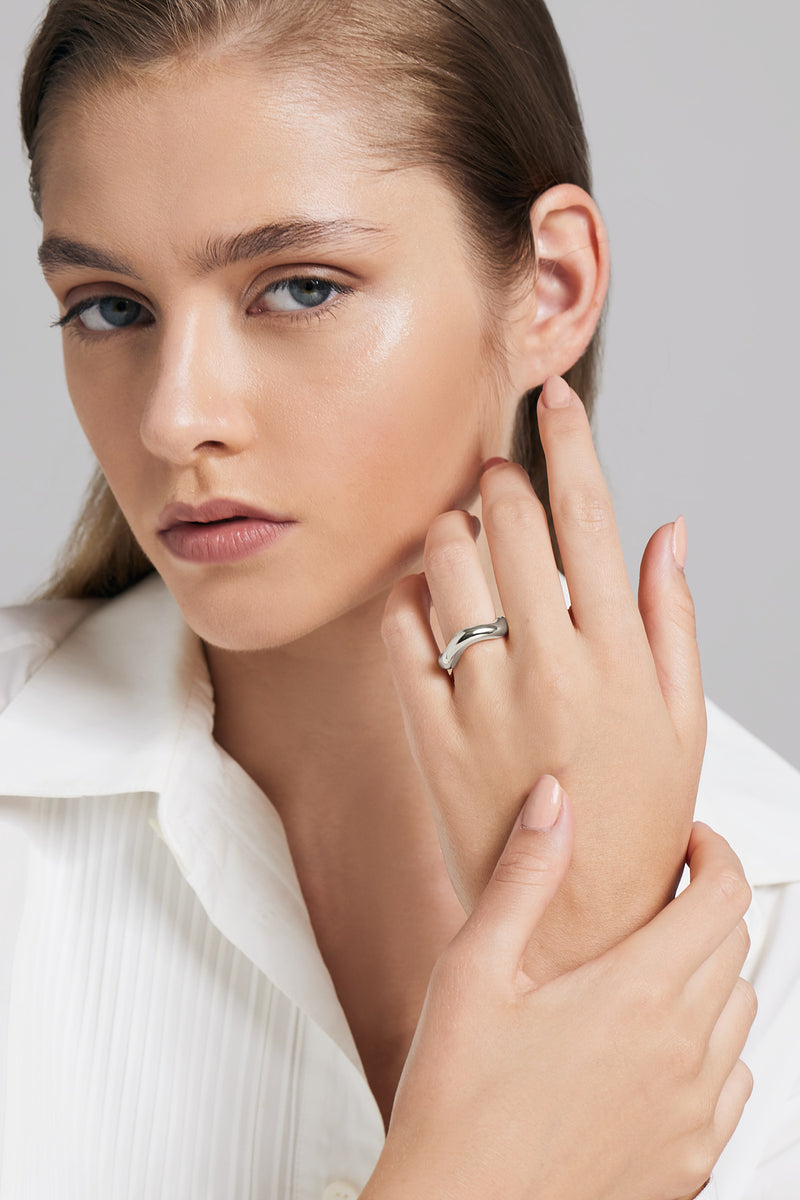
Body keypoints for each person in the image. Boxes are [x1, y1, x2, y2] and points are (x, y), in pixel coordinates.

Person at [1, 1, 798, 1197]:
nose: (174, 417)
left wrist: (591, 945)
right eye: (110, 307)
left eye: (299, 289)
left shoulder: (776, 920)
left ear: (551, 289)